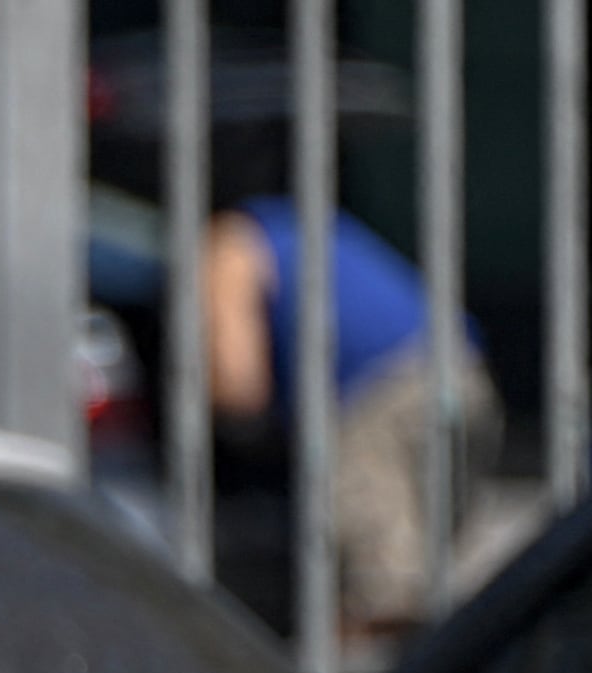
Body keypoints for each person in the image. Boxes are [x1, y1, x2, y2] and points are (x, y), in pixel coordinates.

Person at [206, 186, 500, 634]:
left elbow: (238, 382)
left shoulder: (229, 242)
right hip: (465, 375)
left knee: (385, 590)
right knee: (423, 564)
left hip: (376, 392)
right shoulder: (311, 225)